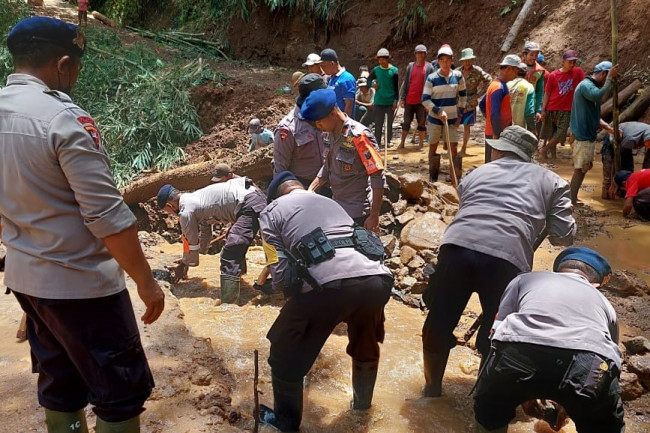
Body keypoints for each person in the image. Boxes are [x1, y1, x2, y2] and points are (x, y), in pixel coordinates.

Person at [0, 17, 165, 433]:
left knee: (61, 385)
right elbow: (106, 215)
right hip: (82, 287)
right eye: (75, 67)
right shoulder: (63, 119)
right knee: (121, 396)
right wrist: (146, 281)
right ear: (62, 65)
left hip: (27, 282)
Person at [421, 126, 576, 398]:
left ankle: (431, 391)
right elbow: (563, 237)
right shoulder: (553, 182)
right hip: (507, 259)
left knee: (439, 321)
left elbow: (470, 211)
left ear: (499, 150)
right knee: (497, 333)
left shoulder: (475, 174)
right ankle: (483, 401)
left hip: (456, 247)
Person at [257, 171, 393, 432]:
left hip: (327, 286)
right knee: (365, 344)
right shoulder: (331, 203)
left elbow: (281, 275)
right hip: (376, 281)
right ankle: (361, 412)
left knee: (283, 356)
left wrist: (294, 306)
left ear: (274, 196)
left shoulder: (270, 212)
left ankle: (285, 422)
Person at [473, 247, 624, 433]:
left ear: (558, 271)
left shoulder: (525, 279)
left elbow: (496, 333)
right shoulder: (606, 304)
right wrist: (570, 404)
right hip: (589, 362)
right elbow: (610, 359)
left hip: (518, 354)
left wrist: (522, 392)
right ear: (596, 284)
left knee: (490, 418)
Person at [157, 172, 267, 303]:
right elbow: (205, 234)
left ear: (170, 205)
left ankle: (230, 303)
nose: (170, 214)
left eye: (167, 211)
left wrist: (184, 264)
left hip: (249, 204)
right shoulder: (196, 199)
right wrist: (199, 254)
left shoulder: (186, 212)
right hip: (254, 194)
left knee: (230, 252)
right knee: (234, 239)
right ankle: (242, 285)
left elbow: (191, 242)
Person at [301, 89, 385, 232]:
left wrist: (374, 215)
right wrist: (311, 191)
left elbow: (377, 176)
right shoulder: (328, 135)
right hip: (338, 208)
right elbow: (327, 167)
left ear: (333, 114)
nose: (319, 128)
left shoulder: (359, 136)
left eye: (320, 123)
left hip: (359, 213)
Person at [568, 61, 619, 204]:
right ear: (603, 74)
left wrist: (607, 127)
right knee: (580, 169)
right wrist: (610, 79)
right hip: (582, 136)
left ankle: (572, 197)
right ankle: (571, 199)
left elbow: (594, 116)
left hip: (586, 135)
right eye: (607, 76)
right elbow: (599, 96)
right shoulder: (586, 86)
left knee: (584, 167)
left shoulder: (590, 87)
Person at [273, 73, 328, 190]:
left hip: (327, 182)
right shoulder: (288, 128)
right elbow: (280, 170)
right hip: (301, 187)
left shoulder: (324, 117)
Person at [421, 44, 467, 182]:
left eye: (448, 60)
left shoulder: (458, 76)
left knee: (453, 147)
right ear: (438, 61)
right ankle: (433, 177)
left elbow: (463, 96)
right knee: (433, 146)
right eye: (442, 60)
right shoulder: (432, 78)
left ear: (452, 60)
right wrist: (438, 110)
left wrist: (460, 114)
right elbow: (425, 100)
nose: (445, 63)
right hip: (435, 119)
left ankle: (455, 177)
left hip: (452, 119)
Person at [539, 50, 585, 159]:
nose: (572, 64)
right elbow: (547, 93)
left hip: (567, 110)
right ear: (563, 62)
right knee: (551, 134)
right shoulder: (554, 75)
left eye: (574, 62)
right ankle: (553, 157)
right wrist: (543, 110)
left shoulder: (578, 72)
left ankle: (543, 149)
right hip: (552, 108)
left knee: (560, 134)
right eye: (570, 62)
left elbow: (584, 85)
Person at [479, 54, 520, 162]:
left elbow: (482, 104)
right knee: (494, 166)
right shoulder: (499, 88)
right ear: (509, 68)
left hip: (493, 132)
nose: (517, 74)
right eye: (516, 70)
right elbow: (495, 114)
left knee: (492, 165)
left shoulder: (495, 84)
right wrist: (497, 134)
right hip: (496, 134)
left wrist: (489, 121)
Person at [398, 44, 436, 149]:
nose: (420, 55)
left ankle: (420, 144)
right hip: (409, 100)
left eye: (422, 53)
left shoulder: (429, 67)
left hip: (422, 101)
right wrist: (403, 98)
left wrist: (429, 102)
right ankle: (402, 143)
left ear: (425, 55)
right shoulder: (410, 66)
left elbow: (433, 85)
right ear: (415, 54)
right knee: (406, 122)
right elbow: (406, 83)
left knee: (422, 124)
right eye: (418, 53)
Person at [458, 47, 492, 156]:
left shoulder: (477, 71)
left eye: (469, 60)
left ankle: (463, 149)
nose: (467, 62)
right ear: (462, 61)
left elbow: (489, 80)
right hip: (457, 103)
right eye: (465, 60)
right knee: (453, 125)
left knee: (466, 126)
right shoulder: (457, 72)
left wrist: (479, 94)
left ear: (472, 60)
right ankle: (450, 146)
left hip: (470, 103)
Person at [602, 122, 650, 197]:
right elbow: (621, 157)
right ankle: (608, 193)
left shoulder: (646, 136)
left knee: (628, 169)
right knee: (610, 168)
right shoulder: (631, 138)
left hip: (628, 138)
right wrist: (615, 182)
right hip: (613, 141)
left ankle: (624, 192)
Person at [366, 48, 399, 147]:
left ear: (387, 59)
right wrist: (372, 84)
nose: (381, 61)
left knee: (389, 123)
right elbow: (368, 80)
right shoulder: (376, 70)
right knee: (378, 123)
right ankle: (377, 142)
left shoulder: (394, 70)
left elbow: (396, 87)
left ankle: (388, 141)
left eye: (383, 59)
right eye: (379, 59)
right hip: (379, 101)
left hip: (390, 100)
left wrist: (395, 100)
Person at [319, 48, 356, 116]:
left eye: (323, 66)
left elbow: (349, 104)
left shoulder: (347, 79)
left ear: (332, 63)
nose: (322, 69)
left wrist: (344, 124)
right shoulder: (332, 78)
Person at [522, 41, 545, 132]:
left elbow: (539, 91)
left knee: (531, 134)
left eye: (536, 55)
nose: (534, 58)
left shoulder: (539, 71)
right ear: (524, 54)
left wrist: (538, 110)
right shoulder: (515, 67)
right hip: (516, 104)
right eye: (531, 55)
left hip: (531, 106)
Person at [507, 62, 536, 131]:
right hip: (520, 128)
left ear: (515, 72)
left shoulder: (507, 85)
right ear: (527, 73)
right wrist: (532, 128)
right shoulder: (529, 87)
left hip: (506, 125)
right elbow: (529, 111)